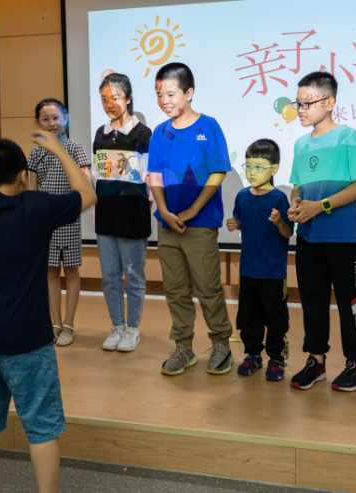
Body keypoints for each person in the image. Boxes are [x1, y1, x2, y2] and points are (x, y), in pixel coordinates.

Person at [0, 131, 97, 493]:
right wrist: (58, 149)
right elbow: (88, 194)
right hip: (28, 341)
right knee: (41, 426)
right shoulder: (35, 207)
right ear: (23, 176)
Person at [287, 71, 356, 392]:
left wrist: (321, 206)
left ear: (329, 102)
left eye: (306, 103)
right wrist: (296, 203)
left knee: (350, 302)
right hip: (308, 236)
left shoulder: (348, 137)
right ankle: (316, 360)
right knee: (312, 300)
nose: (300, 109)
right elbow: (297, 185)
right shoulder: (300, 144)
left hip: (342, 238)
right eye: (297, 103)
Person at [148, 62, 234, 375]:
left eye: (170, 94)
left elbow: (219, 170)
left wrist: (193, 210)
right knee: (175, 289)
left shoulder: (209, 126)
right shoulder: (160, 132)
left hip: (200, 223)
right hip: (168, 223)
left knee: (208, 287)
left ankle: (221, 344)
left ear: (189, 92)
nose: (164, 100)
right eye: (160, 95)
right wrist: (164, 211)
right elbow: (155, 175)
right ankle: (183, 348)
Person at [93, 73, 152, 352]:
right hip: (106, 214)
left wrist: (145, 208)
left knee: (134, 275)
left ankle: (132, 329)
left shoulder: (143, 133)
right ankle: (117, 326)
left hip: (133, 213)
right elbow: (101, 176)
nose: (109, 104)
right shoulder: (100, 133)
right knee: (110, 276)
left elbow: (147, 178)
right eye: (104, 99)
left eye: (115, 98)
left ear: (127, 98)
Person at [226, 139, 294, 381]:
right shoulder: (242, 195)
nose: (252, 172)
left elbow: (288, 232)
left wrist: (279, 222)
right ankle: (253, 354)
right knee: (249, 315)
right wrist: (235, 224)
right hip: (248, 269)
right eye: (248, 166)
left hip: (273, 272)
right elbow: (242, 222)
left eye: (259, 167)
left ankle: (277, 359)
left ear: (274, 169)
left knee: (275, 318)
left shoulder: (279, 198)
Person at [28, 98, 91, 346]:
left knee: (71, 271)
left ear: (65, 118)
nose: (52, 123)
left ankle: (69, 324)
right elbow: (32, 190)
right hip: (44, 222)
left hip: (69, 219)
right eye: (45, 119)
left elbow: (86, 183)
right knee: (50, 272)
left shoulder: (75, 149)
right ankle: (54, 323)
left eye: (56, 117)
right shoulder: (35, 152)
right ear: (38, 123)